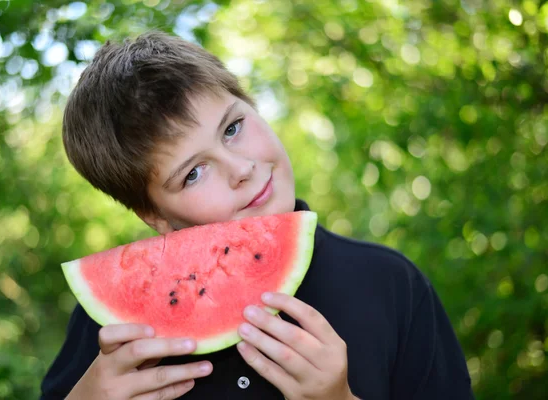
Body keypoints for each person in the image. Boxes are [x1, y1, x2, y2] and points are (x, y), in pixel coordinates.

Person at [41, 30, 474, 400]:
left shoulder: (392, 283)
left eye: (232, 128)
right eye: (193, 174)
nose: (242, 169)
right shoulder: (114, 332)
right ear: (154, 214)